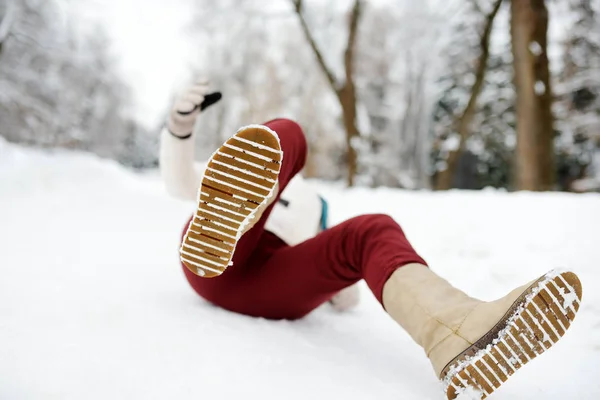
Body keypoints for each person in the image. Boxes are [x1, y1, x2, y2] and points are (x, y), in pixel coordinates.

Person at [159, 80, 584, 399]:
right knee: (291, 132)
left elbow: (339, 293)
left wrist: (339, 289)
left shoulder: (315, 206)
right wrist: (181, 127)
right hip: (216, 257)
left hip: (271, 283)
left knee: (371, 228)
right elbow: (182, 184)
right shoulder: (235, 181)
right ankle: (228, 223)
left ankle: (456, 333)